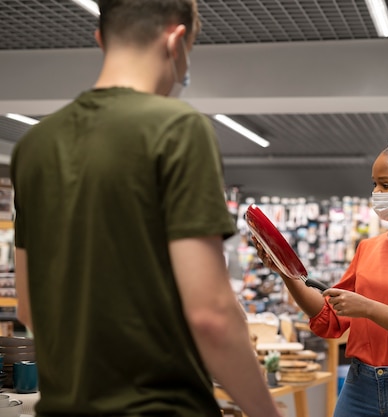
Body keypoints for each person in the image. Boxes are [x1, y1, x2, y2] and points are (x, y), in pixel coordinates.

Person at [10, 1, 282, 416]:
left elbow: (27, 308)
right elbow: (210, 314)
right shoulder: (176, 128)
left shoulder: (35, 145)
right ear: (176, 41)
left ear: (101, 38)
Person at [254, 126, 388, 417]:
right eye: (374, 185)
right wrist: (285, 271)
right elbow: (331, 317)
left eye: (385, 185)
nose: (376, 194)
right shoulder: (368, 248)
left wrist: (369, 309)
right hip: (359, 387)